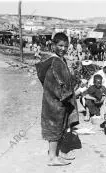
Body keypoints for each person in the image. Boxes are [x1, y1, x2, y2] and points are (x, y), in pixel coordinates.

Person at [36, 32, 79, 166]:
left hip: (54, 99)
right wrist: (66, 94)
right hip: (55, 101)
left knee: (60, 126)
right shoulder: (56, 62)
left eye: (66, 46)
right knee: (54, 127)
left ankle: (57, 153)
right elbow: (56, 82)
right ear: (53, 45)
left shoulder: (57, 60)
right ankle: (51, 158)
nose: (63, 49)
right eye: (60, 45)